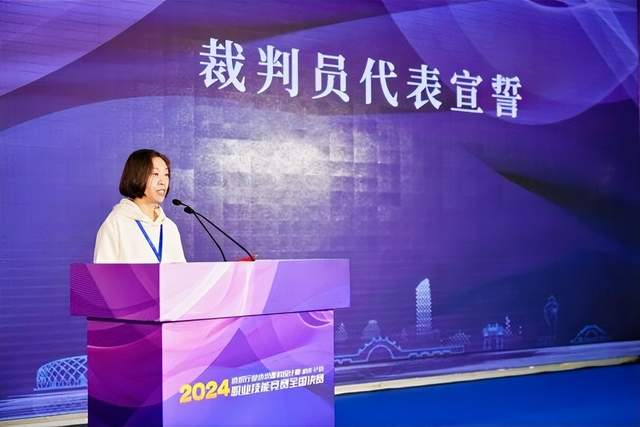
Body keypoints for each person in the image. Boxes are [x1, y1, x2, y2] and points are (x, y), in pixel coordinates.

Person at [93, 149, 186, 263]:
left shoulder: (170, 227)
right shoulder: (116, 224)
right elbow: (102, 272)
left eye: (166, 174)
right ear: (137, 176)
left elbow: (181, 272)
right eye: (155, 174)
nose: (163, 181)